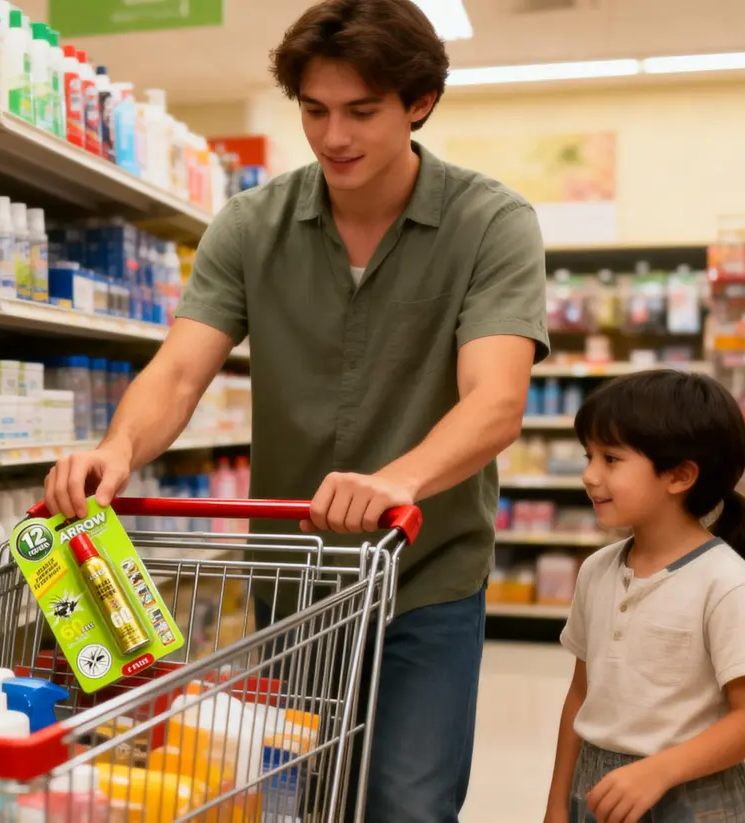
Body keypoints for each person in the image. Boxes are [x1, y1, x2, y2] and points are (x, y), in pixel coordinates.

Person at [42, 0, 547, 819]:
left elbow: (496, 399)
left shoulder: (491, 224)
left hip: (424, 576)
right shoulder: (251, 225)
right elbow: (179, 372)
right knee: (301, 797)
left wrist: (397, 479)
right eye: (315, 110)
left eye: (362, 112)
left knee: (408, 805)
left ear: (419, 104)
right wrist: (117, 448)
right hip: (295, 577)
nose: (334, 136)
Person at [544, 371, 745, 823]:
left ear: (680, 475)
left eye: (611, 459)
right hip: (594, 791)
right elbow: (580, 693)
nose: (589, 475)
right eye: (589, 456)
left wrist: (658, 771)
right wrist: (557, 806)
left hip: (694, 796)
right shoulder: (597, 571)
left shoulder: (727, 583)